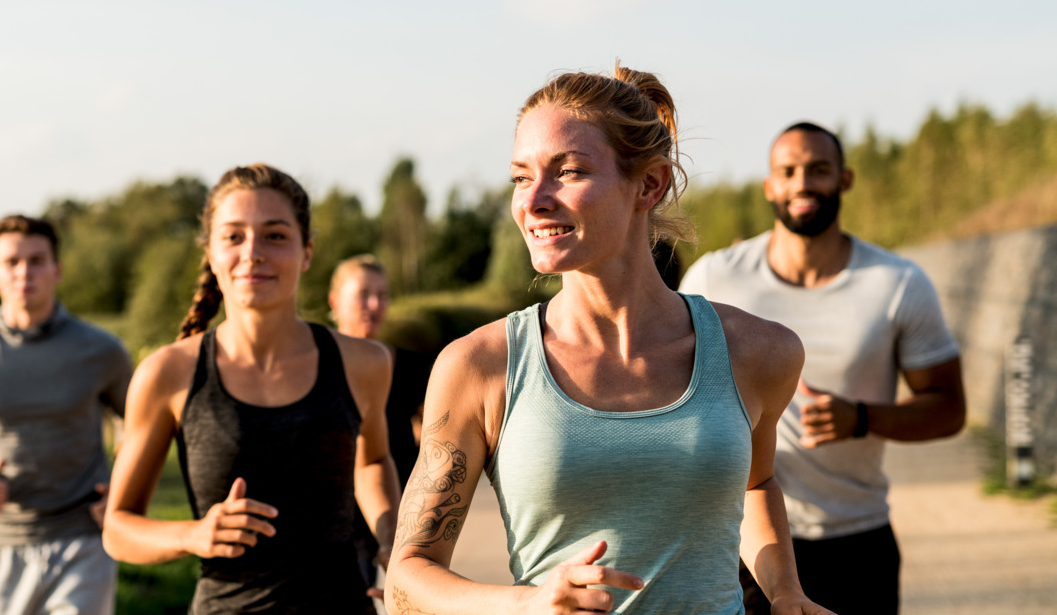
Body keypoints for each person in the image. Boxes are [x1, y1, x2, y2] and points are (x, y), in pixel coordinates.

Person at [384, 65, 833, 614]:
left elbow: (755, 483)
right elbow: (406, 581)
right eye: (521, 178)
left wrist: (785, 592)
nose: (534, 200)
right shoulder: (480, 366)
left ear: (649, 184)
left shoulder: (758, 353)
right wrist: (526, 606)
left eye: (567, 172)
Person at [681, 121, 966, 614]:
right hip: (742, 545)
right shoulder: (714, 277)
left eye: (818, 170)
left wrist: (860, 418)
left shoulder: (898, 283)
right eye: (787, 171)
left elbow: (949, 409)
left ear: (845, 179)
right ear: (770, 186)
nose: (802, 183)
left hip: (855, 543)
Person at [102, 164, 401, 614]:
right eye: (234, 236)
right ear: (211, 254)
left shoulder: (364, 363)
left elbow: (372, 461)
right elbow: (118, 529)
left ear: (307, 252)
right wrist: (193, 534)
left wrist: (392, 538)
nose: (253, 252)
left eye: (275, 235)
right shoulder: (168, 373)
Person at [0, 214, 133, 615]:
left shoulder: (101, 350)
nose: (24, 272)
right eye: (12, 262)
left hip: (84, 538)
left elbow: (143, 428)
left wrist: (125, 491)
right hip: (2, 544)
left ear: (57, 269)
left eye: (37, 260)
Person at [327, 254, 434, 586]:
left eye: (382, 295)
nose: (374, 304)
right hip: (335, 518)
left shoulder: (408, 365)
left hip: (396, 512)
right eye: (363, 294)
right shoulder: (315, 365)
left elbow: (435, 427)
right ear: (334, 301)